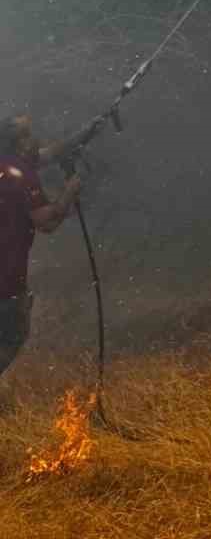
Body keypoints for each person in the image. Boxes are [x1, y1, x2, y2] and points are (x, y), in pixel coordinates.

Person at [0, 112, 102, 379]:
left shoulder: (8, 164)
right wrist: (70, 191)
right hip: (6, 282)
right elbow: (46, 222)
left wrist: (88, 130)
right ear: (18, 142)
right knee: (11, 337)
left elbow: (51, 153)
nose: (34, 138)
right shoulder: (21, 175)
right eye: (27, 133)